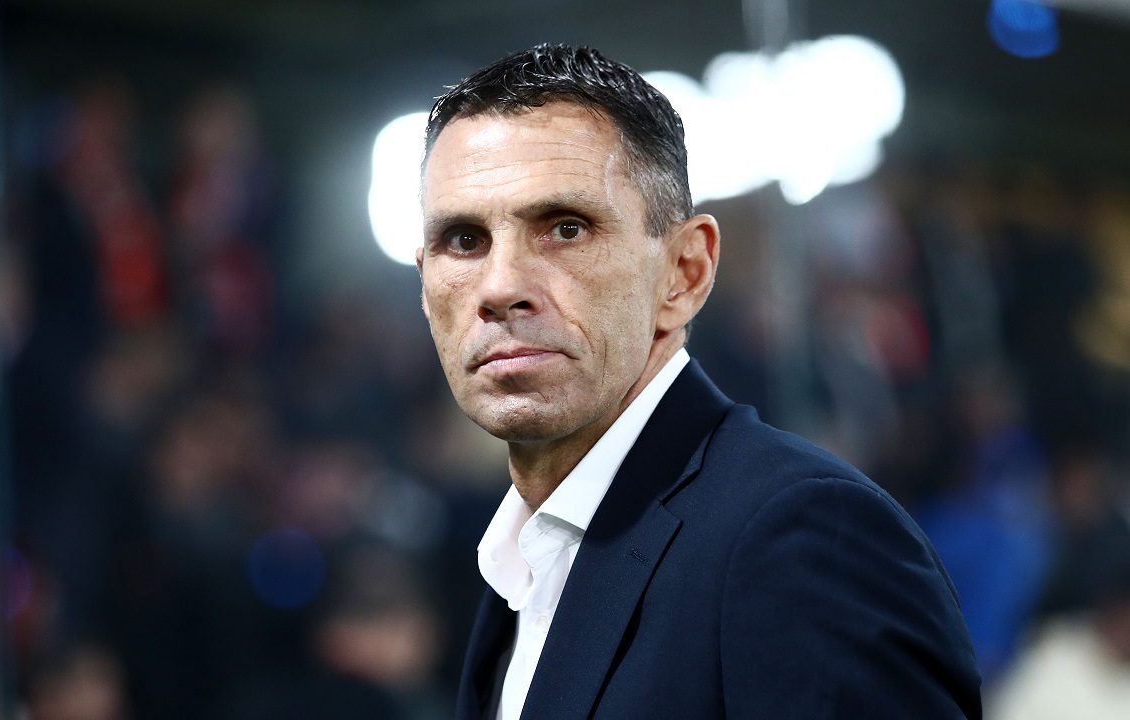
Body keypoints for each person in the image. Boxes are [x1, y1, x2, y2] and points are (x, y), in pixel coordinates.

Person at [415, 44, 982, 720]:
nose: (500, 286)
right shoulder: (517, 565)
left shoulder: (805, 539)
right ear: (424, 284)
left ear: (685, 273)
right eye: (464, 240)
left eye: (566, 228)